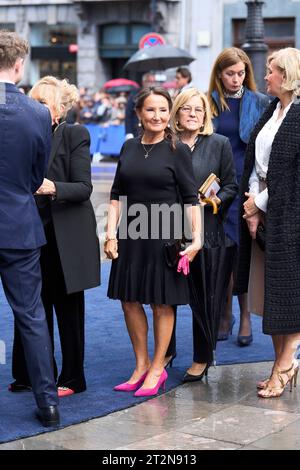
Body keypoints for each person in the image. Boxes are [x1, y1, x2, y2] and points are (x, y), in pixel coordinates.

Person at [105, 86, 201, 396]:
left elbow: (190, 199)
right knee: (129, 300)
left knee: (161, 302)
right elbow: (117, 194)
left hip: (164, 232)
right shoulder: (129, 148)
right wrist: (109, 234)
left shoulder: (177, 150)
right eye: (150, 110)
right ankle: (141, 364)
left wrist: (196, 238)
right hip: (132, 232)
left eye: (162, 110)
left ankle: (158, 368)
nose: (157, 116)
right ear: (138, 114)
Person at [10, 76, 100, 397]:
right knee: (33, 306)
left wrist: (51, 187)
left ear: (60, 110)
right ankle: (31, 373)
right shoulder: (24, 134)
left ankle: (73, 377)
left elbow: (84, 187)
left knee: (67, 309)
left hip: (66, 236)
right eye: (32, 102)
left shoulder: (74, 133)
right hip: (31, 232)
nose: (34, 109)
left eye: (42, 104)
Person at [0, 31, 59, 426]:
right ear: (20, 65)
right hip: (19, 225)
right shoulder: (38, 113)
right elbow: (38, 175)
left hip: (17, 223)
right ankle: (49, 402)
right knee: (32, 317)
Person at [236, 47, 300, 398]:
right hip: (262, 211)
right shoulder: (272, 110)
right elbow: (257, 164)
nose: (265, 76)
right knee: (274, 295)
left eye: (271, 70)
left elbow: (291, 176)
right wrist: (252, 203)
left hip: (289, 217)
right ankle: (280, 364)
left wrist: (257, 204)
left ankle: (286, 365)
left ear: (287, 75)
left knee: (290, 295)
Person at [170, 88, 238, 380]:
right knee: (165, 296)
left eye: (199, 110)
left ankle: (202, 357)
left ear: (206, 115)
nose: (193, 115)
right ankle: (165, 352)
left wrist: (210, 202)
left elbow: (231, 186)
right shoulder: (166, 144)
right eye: (187, 109)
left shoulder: (219, 143)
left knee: (205, 296)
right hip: (169, 228)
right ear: (177, 113)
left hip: (207, 229)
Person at [208, 47, 270, 345]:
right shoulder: (208, 103)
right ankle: (224, 313)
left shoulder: (259, 102)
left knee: (240, 253)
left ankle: (244, 315)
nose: (236, 79)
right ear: (219, 74)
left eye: (241, 73)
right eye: (230, 73)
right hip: (214, 188)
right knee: (219, 254)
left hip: (245, 186)